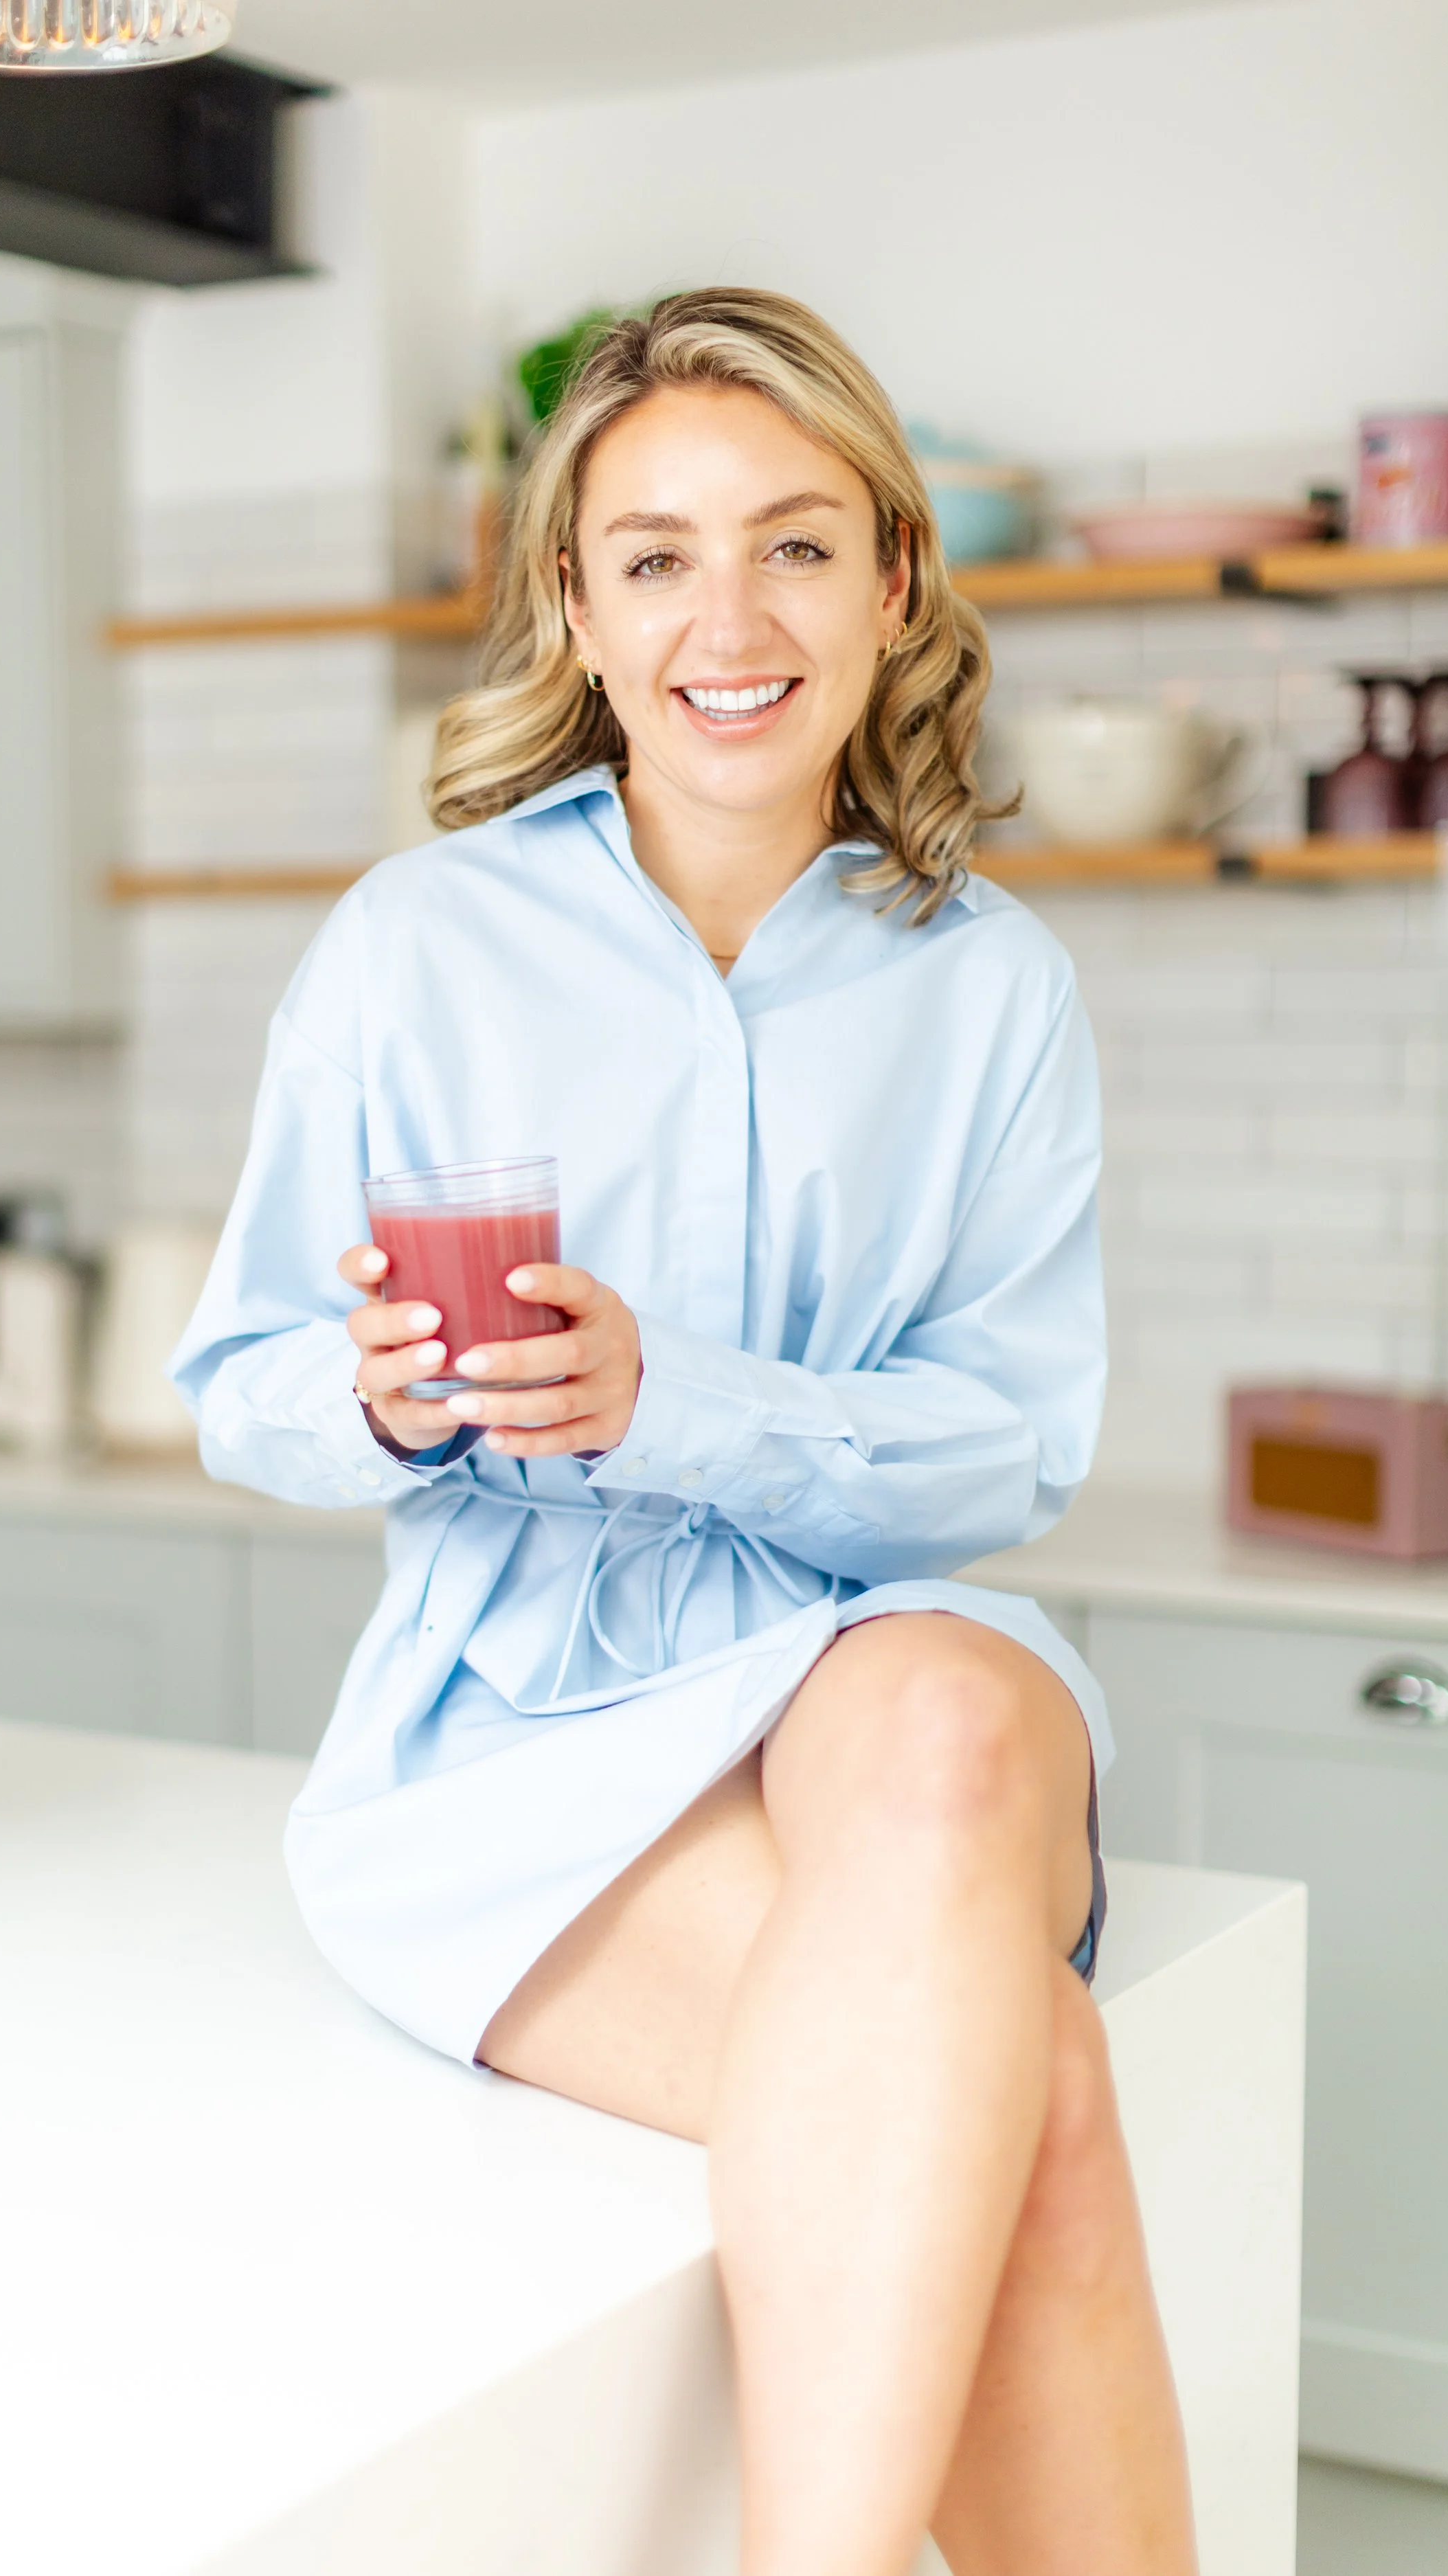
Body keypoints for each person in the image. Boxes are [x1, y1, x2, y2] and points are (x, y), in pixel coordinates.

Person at [172, 288, 1196, 2576]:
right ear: (574, 604)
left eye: (794, 547)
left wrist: (684, 1402)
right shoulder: (413, 945)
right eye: (651, 556)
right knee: (1031, 2105)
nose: (725, 619)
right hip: (514, 1732)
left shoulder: (990, 986)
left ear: (895, 584)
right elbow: (236, 1382)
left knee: (942, 1691)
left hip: (864, 1689)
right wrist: (370, 1394)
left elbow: (1002, 1451)